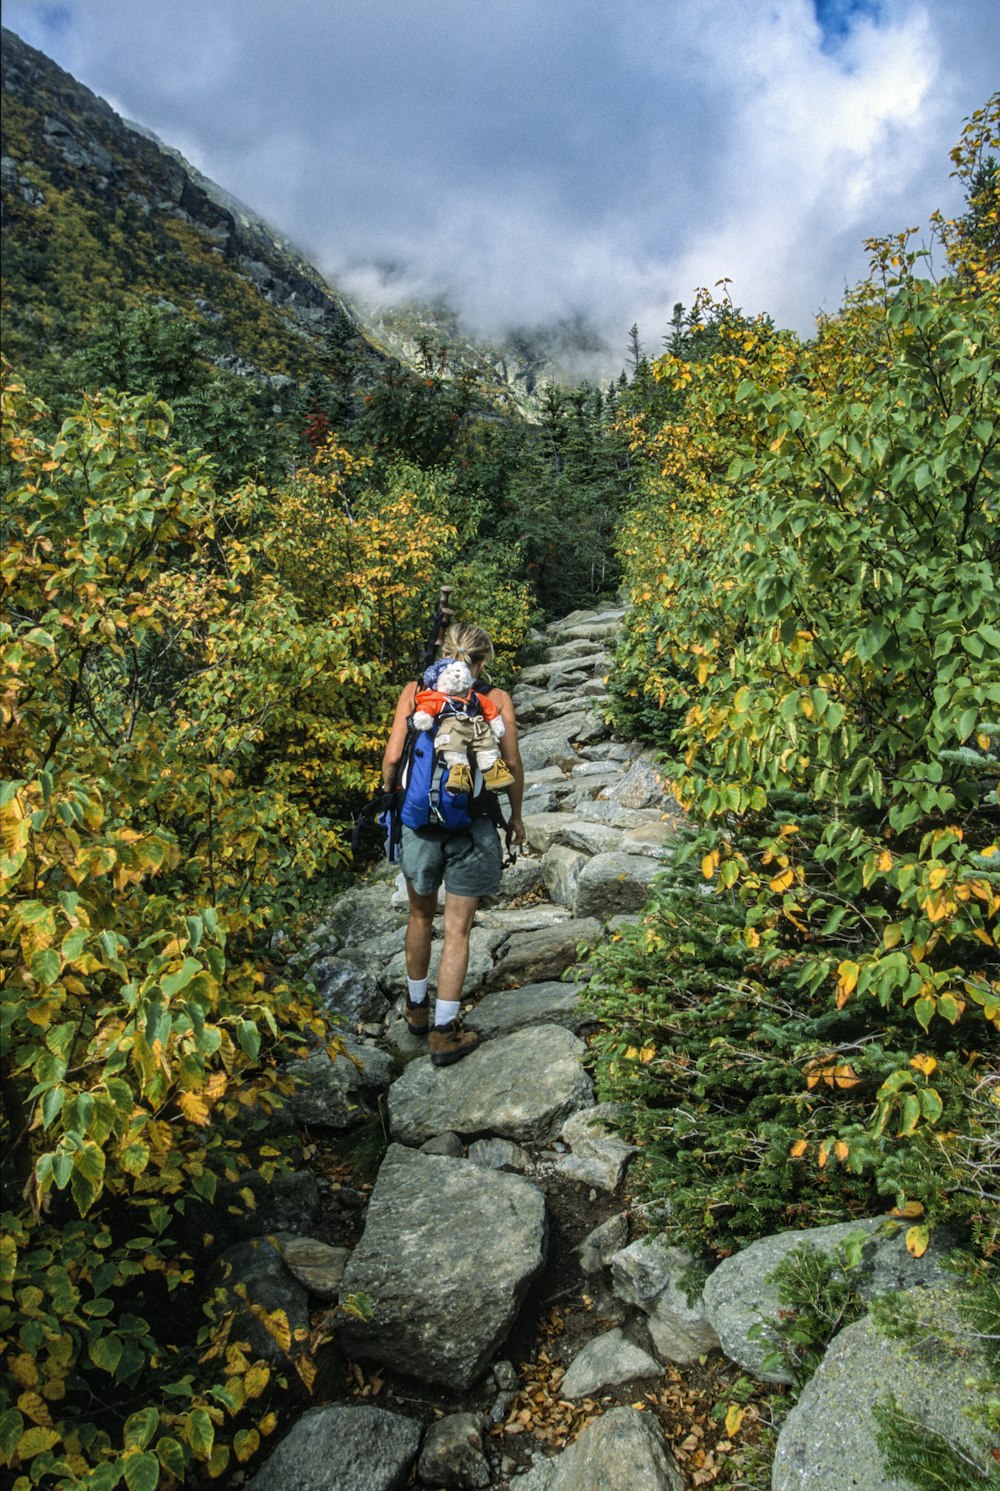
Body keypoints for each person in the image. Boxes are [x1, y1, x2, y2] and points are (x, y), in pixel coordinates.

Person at [381, 623, 525, 1066]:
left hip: (420, 824)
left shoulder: (414, 689)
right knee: (458, 930)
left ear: (443, 652)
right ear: (484, 660)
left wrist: (393, 804)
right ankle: (445, 1033)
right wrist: (516, 817)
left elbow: (391, 758)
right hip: (473, 825)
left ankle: (416, 1010)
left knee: (420, 914)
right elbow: (513, 763)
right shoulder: (495, 699)